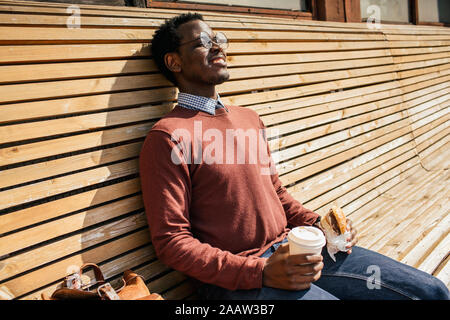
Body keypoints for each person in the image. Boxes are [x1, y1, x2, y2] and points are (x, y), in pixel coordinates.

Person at [139, 13, 449, 300]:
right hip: (237, 279)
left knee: (430, 291)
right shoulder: (168, 137)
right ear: (174, 62)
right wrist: (259, 272)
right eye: (203, 43)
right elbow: (172, 243)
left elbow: (275, 193)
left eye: (218, 38)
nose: (217, 46)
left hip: (295, 249)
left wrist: (321, 225)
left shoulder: (249, 118)